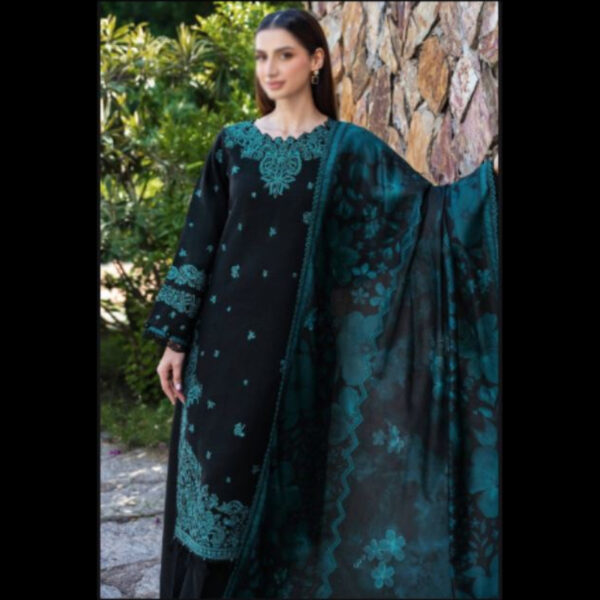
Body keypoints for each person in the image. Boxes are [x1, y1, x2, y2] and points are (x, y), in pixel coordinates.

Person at [143, 8, 500, 600]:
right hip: (222, 354)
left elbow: (423, 215)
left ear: (316, 61)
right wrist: (175, 339)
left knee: (288, 496)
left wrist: (487, 185)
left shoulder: (349, 150)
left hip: (302, 357)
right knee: (217, 492)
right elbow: (198, 243)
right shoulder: (232, 145)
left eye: (284, 55)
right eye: (262, 57)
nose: (270, 69)